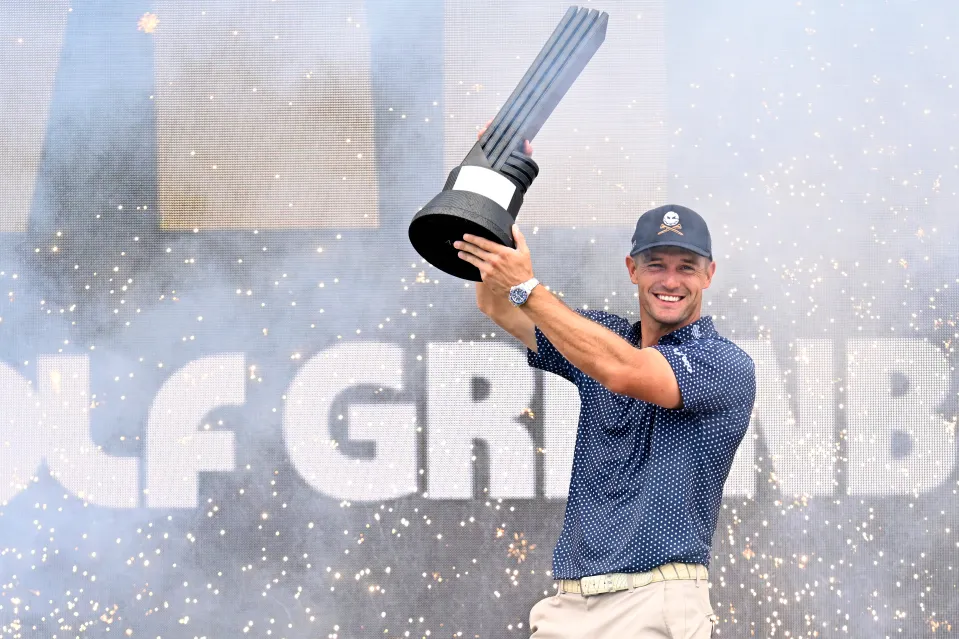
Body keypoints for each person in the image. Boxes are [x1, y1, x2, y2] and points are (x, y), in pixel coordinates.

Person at [453, 129, 756, 639]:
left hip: (658, 601)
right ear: (631, 270)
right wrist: (498, 190)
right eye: (656, 264)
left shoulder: (725, 363)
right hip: (570, 604)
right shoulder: (605, 336)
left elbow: (626, 372)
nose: (670, 280)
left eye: (687, 267)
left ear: (709, 276)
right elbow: (496, 304)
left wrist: (527, 286)